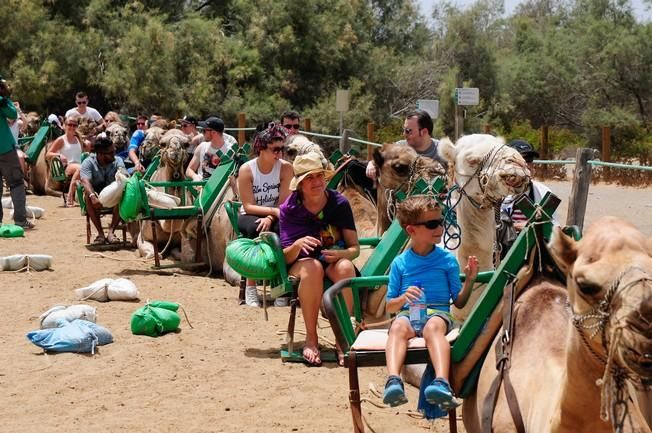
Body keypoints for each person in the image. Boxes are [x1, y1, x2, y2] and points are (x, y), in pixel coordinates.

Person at [382, 195, 478, 408]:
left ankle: (441, 382)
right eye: (432, 224)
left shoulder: (447, 260)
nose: (440, 228)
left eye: (441, 221)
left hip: (438, 314)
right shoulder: (400, 263)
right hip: (409, 314)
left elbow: (459, 302)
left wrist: (469, 281)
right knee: (397, 326)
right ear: (411, 230)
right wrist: (404, 297)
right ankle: (393, 380)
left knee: (433, 327)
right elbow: (390, 306)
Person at [279, 151, 359, 366]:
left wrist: (341, 254)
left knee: (345, 267)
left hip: (333, 257)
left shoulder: (339, 203)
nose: (316, 182)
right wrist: (297, 245)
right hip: (302, 263)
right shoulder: (290, 209)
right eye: (309, 178)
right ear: (300, 184)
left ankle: (342, 339)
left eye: (319, 176)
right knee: (313, 267)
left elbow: (354, 249)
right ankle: (311, 338)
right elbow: (285, 258)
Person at [237, 123, 293, 307]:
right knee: (256, 228)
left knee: (282, 231)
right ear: (262, 148)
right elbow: (248, 205)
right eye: (275, 149)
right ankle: (252, 288)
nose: (279, 154)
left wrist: (271, 217)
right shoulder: (247, 169)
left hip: (276, 213)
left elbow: (283, 202)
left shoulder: (285, 168)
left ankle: (279, 288)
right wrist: (270, 213)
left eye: (282, 149)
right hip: (251, 213)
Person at [498, 139, 559, 258]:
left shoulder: (544, 192)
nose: (527, 165)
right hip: (502, 253)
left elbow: (555, 227)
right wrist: (518, 226)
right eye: (521, 160)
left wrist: (520, 226)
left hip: (536, 251)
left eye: (529, 160)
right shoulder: (497, 194)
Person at [366, 110, 447, 180]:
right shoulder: (400, 147)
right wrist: (371, 165)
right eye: (403, 130)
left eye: (408, 131)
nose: (404, 134)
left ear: (424, 132)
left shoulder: (442, 151)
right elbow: (379, 159)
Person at [79, 136, 126, 245]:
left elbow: (123, 172)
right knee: (88, 196)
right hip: (96, 194)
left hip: (113, 195)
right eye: (110, 152)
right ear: (100, 154)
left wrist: (124, 174)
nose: (114, 154)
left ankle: (111, 232)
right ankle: (100, 234)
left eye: (113, 151)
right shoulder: (88, 162)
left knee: (122, 192)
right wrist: (92, 196)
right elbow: (85, 181)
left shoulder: (117, 161)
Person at [0, 75, 33, 229]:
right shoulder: (2, 101)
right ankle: (20, 219)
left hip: (5, 148)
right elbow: (13, 114)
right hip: (5, 149)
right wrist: (4, 99)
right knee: (16, 183)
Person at [46, 114, 83, 206]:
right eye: (69, 125)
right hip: (67, 167)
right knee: (81, 168)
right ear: (64, 126)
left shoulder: (78, 139)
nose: (72, 127)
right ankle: (70, 197)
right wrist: (59, 155)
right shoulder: (61, 140)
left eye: (74, 125)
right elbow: (48, 154)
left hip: (78, 165)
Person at [186, 116, 237, 181]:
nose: (202, 133)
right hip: (201, 188)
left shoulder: (231, 151)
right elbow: (189, 170)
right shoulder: (201, 147)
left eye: (204, 130)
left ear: (214, 133)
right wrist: (194, 176)